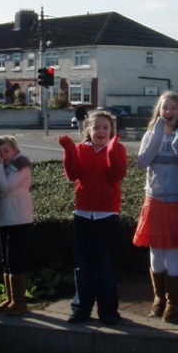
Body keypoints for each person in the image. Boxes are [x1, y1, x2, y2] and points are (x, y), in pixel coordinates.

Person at [58, 110, 128, 325]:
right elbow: (73, 174)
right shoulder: (81, 149)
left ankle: (108, 311)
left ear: (111, 131)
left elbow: (116, 174)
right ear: (88, 129)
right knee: (83, 266)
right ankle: (81, 309)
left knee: (105, 266)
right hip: (82, 214)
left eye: (105, 127)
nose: (100, 131)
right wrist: (69, 150)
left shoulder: (117, 148)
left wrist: (112, 150)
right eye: (96, 127)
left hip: (106, 215)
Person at [133, 91, 178, 323]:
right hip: (155, 199)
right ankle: (159, 298)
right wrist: (158, 134)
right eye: (164, 108)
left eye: (173, 108)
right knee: (156, 253)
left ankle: (175, 302)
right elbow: (141, 163)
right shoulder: (151, 134)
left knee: (173, 252)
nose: (167, 112)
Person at [0, 136, 34, 315]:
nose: (3, 155)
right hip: (4, 218)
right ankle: (10, 297)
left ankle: (19, 301)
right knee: (6, 261)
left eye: (6, 151)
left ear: (15, 151)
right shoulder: (3, 167)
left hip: (19, 219)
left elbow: (5, 186)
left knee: (15, 260)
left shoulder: (20, 166)